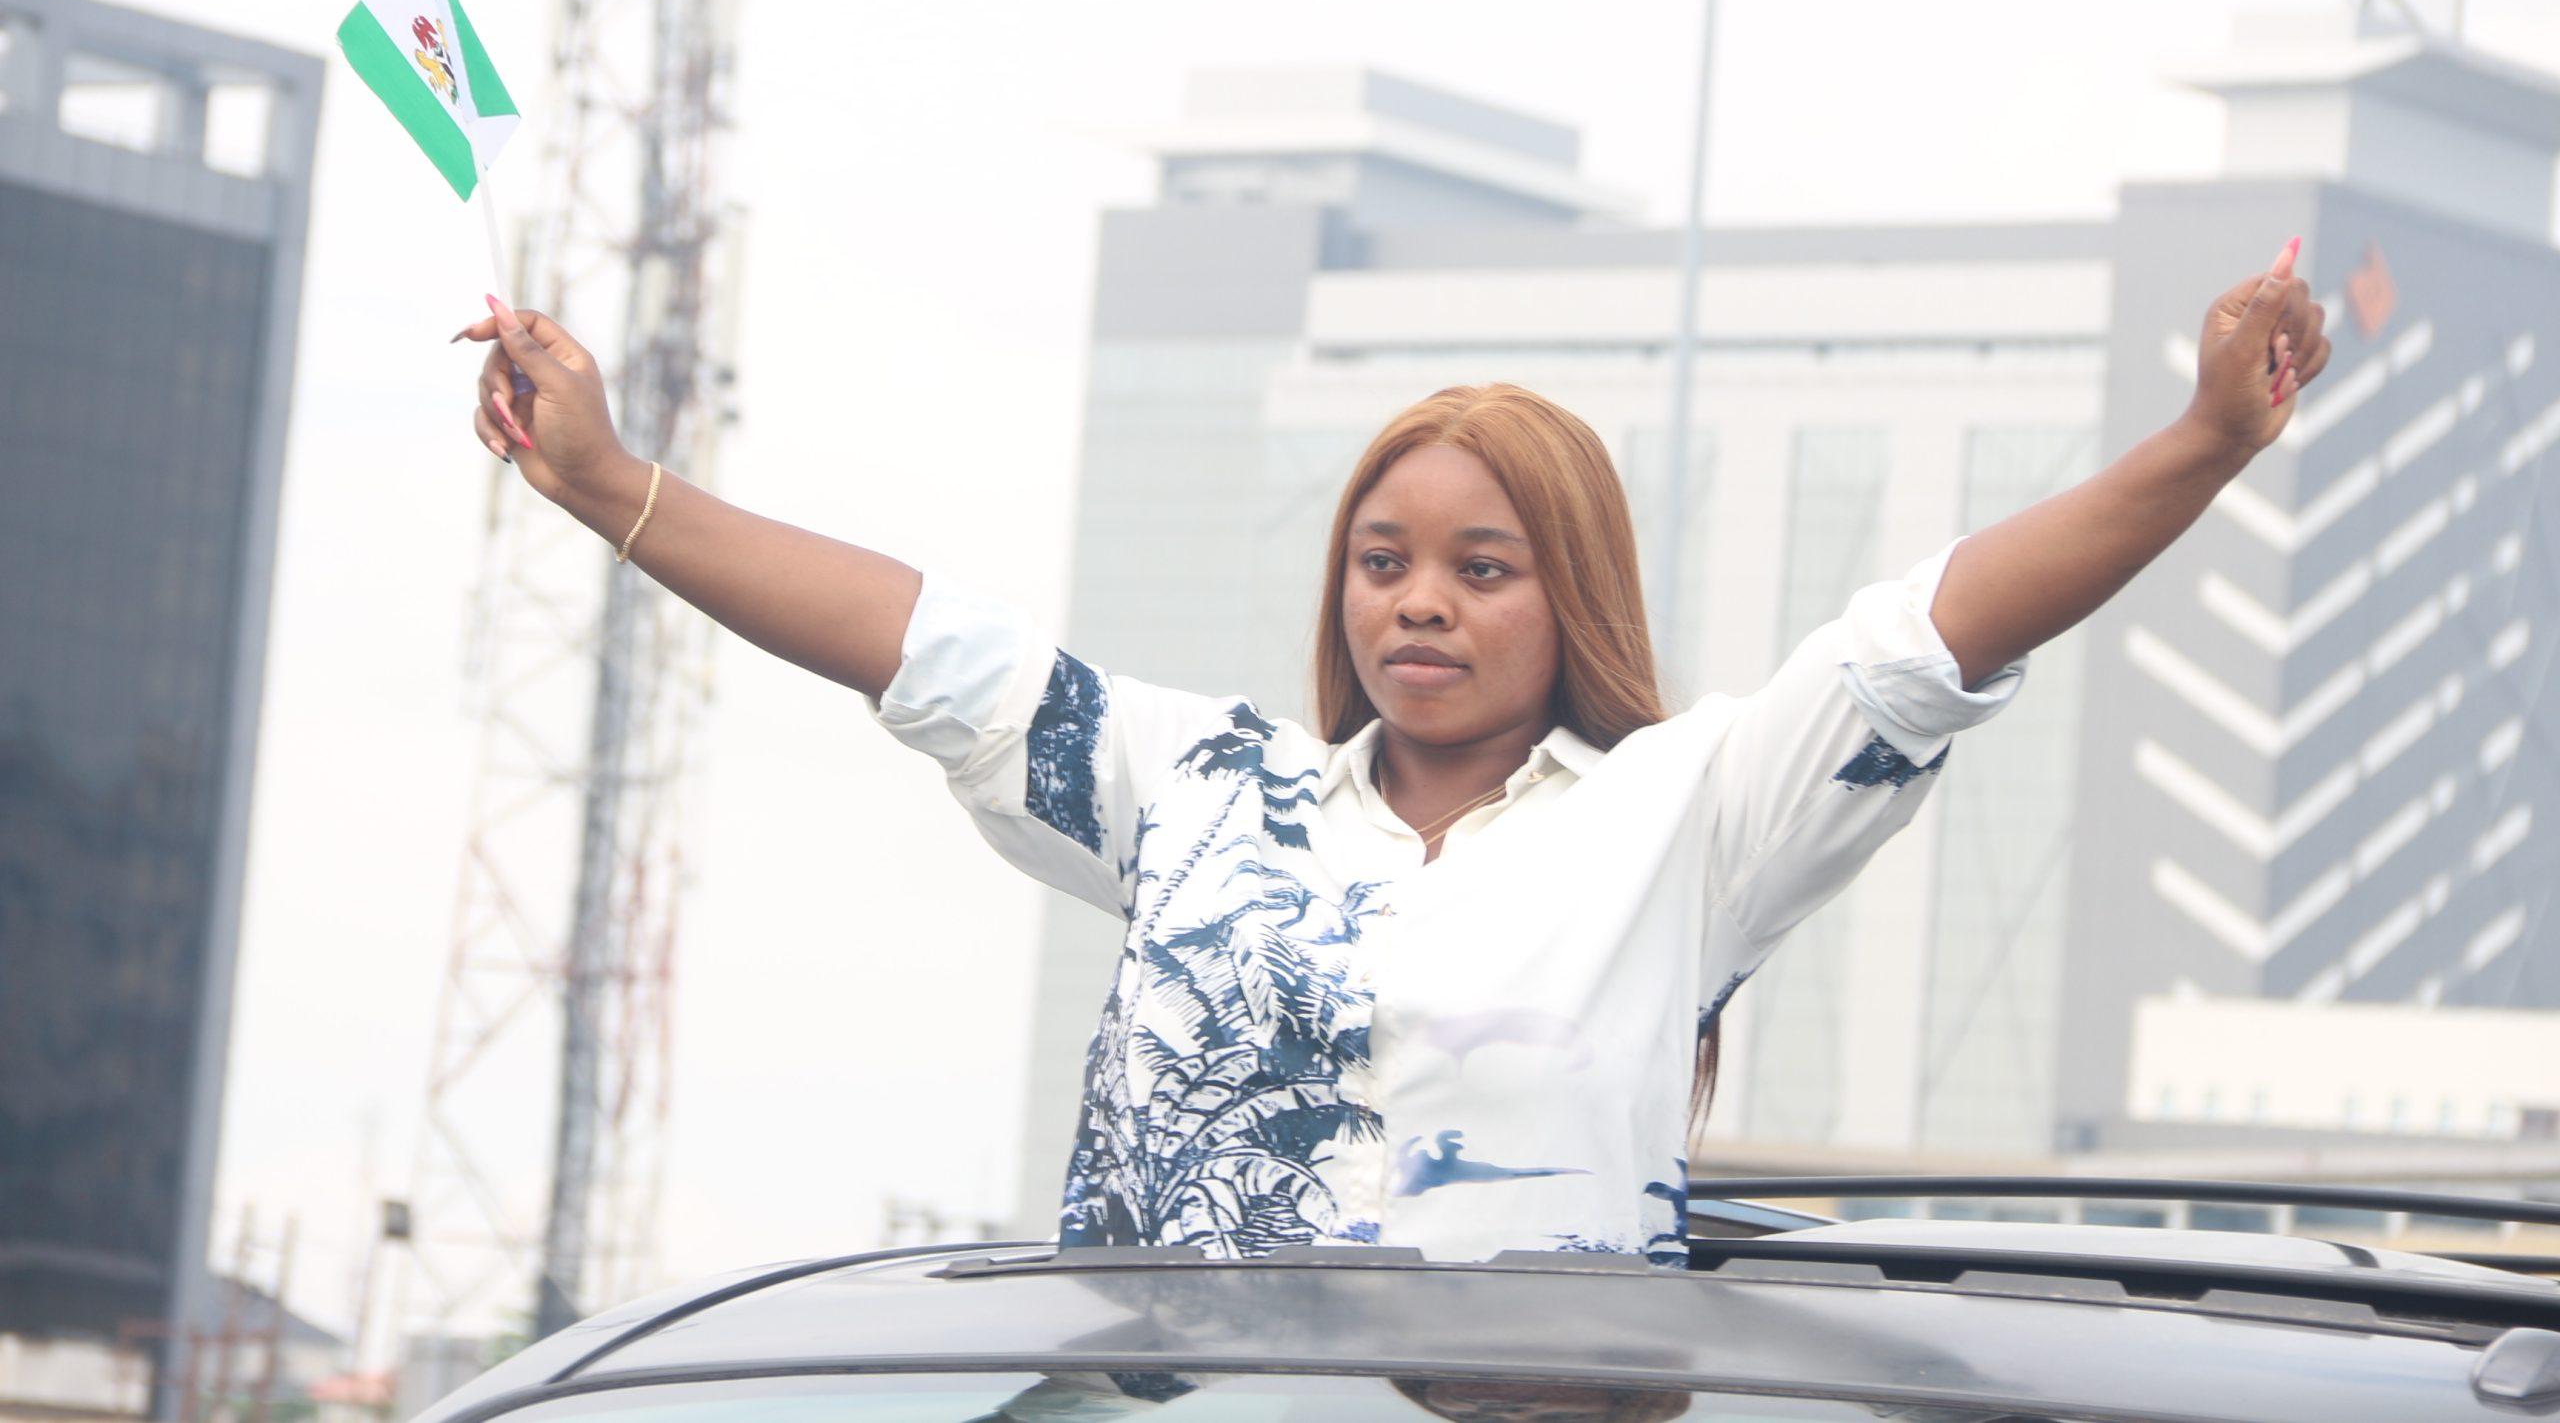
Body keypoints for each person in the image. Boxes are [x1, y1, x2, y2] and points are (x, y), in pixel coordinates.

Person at [454, 239, 2327, 1271]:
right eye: (1383, 562)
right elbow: (921, 646)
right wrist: (612, 484)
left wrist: (2202, 444)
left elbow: (1936, 634)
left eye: (1480, 569)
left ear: (1566, 587)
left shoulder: (1690, 816)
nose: (1418, 603)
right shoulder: (1204, 792)